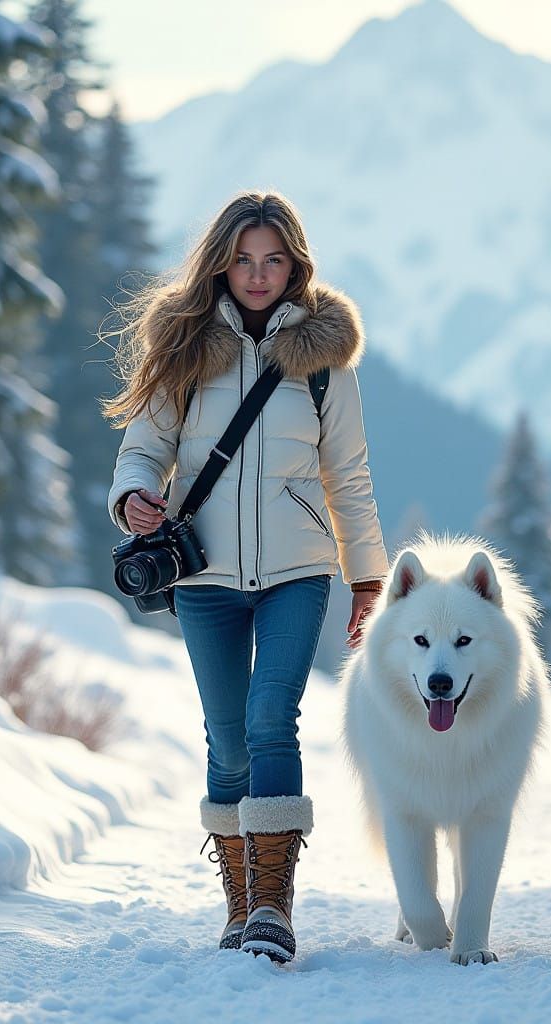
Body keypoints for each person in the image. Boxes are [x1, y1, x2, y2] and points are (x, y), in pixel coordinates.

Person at [101, 190, 389, 963]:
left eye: (274, 260)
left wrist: (368, 580)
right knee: (228, 742)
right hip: (205, 577)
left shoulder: (325, 357)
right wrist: (134, 496)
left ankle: (272, 909)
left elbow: (349, 474)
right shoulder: (186, 345)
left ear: (296, 265)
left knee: (271, 719)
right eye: (243, 260)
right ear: (220, 265)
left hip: (299, 570)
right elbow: (143, 448)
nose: (258, 274)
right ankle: (239, 904)